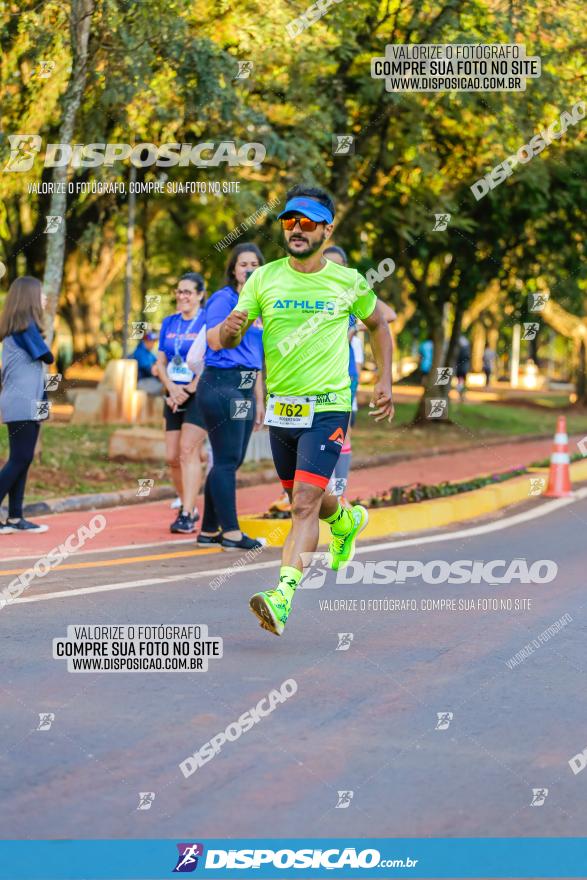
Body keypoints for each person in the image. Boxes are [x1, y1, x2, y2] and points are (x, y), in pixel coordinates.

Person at [209, 185, 394, 636]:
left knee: (303, 505)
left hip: (329, 407)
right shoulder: (264, 279)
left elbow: (379, 324)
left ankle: (283, 596)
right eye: (290, 220)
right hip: (283, 411)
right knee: (305, 499)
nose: (296, 228)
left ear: (327, 229)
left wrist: (384, 378)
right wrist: (231, 329)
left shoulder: (348, 281)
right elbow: (227, 341)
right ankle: (347, 519)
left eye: (308, 222)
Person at [194, 243, 266, 551]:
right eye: (242, 264)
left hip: (246, 386)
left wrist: (259, 400)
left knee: (231, 460)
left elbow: (258, 358)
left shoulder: (264, 303)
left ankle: (209, 530)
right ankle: (232, 534)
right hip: (221, 383)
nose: (248, 268)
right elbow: (214, 341)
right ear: (233, 270)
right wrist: (241, 315)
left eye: (254, 264)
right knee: (225, 459)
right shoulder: (224, 299)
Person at [0, 276, 53, 534]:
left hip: (27, 402)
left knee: (22, 459)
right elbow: (47, 355)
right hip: (21, 402)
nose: (45, 299)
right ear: (30, 299)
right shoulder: (24, 329)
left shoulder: (20, 328)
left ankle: (15, 517)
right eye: (41, 294)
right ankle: (12, 515)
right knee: (20, 458)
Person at [157, 272, 207, 534]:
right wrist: (172, 389)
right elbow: (160, 362)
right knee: (172, 457)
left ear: (200, 295)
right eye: (179, 291)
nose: (182, 296)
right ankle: (188, 500)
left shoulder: (207, 322)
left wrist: (188, 390)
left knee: (188, 451)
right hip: (173, 393)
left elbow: (208, 362)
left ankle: (186, 513)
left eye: (188, 291)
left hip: (197, 394)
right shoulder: (169, 322)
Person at [131, 331, 163, 396]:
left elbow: (158, 363)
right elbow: (148, 370)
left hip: (149, 380)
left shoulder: (150, 354)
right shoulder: (140, 352)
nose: (153, 344)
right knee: (164, 387)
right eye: (151, 341)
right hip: (140, 382)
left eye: (154, 342)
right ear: (145, 341)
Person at [456, 333, 471, 400]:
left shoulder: (459, 350)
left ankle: (461, 394)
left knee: (460, 380)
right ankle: (462, 394)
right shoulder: (466, 349)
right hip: (463, 368)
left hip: (460, 368)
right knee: (462, 380)